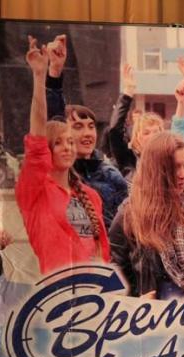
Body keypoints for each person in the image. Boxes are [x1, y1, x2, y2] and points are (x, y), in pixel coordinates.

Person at [109, 74, 184, 300]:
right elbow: (115, 271)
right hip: (159, 317)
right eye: (175, 167)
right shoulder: (130, 215)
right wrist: (133, 303)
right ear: (157, 169)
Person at [16, 36, 110, 275]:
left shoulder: (91, 196)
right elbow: (38, 133)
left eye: (70, 141)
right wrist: (40, 75)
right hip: (56, 292)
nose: (67, 147)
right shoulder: (35, 191)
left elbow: (102, 254)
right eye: (58, 143)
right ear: (46, 150)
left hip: (95, 291)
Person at [44, 34, 128, 230]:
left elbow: (124, 230)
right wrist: (55, 71)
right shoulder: (59, 172)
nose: (88, 133)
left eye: (91, 126)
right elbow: (54, 118)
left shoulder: (112, 176)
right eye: (78, 126)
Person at [107, 63, 164, 179]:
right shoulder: (128, 160)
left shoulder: (170, 160)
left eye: (156, 132)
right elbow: (115, 131)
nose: (152, 136)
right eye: (146, 133)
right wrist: (128, 93)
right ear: (137, 138)